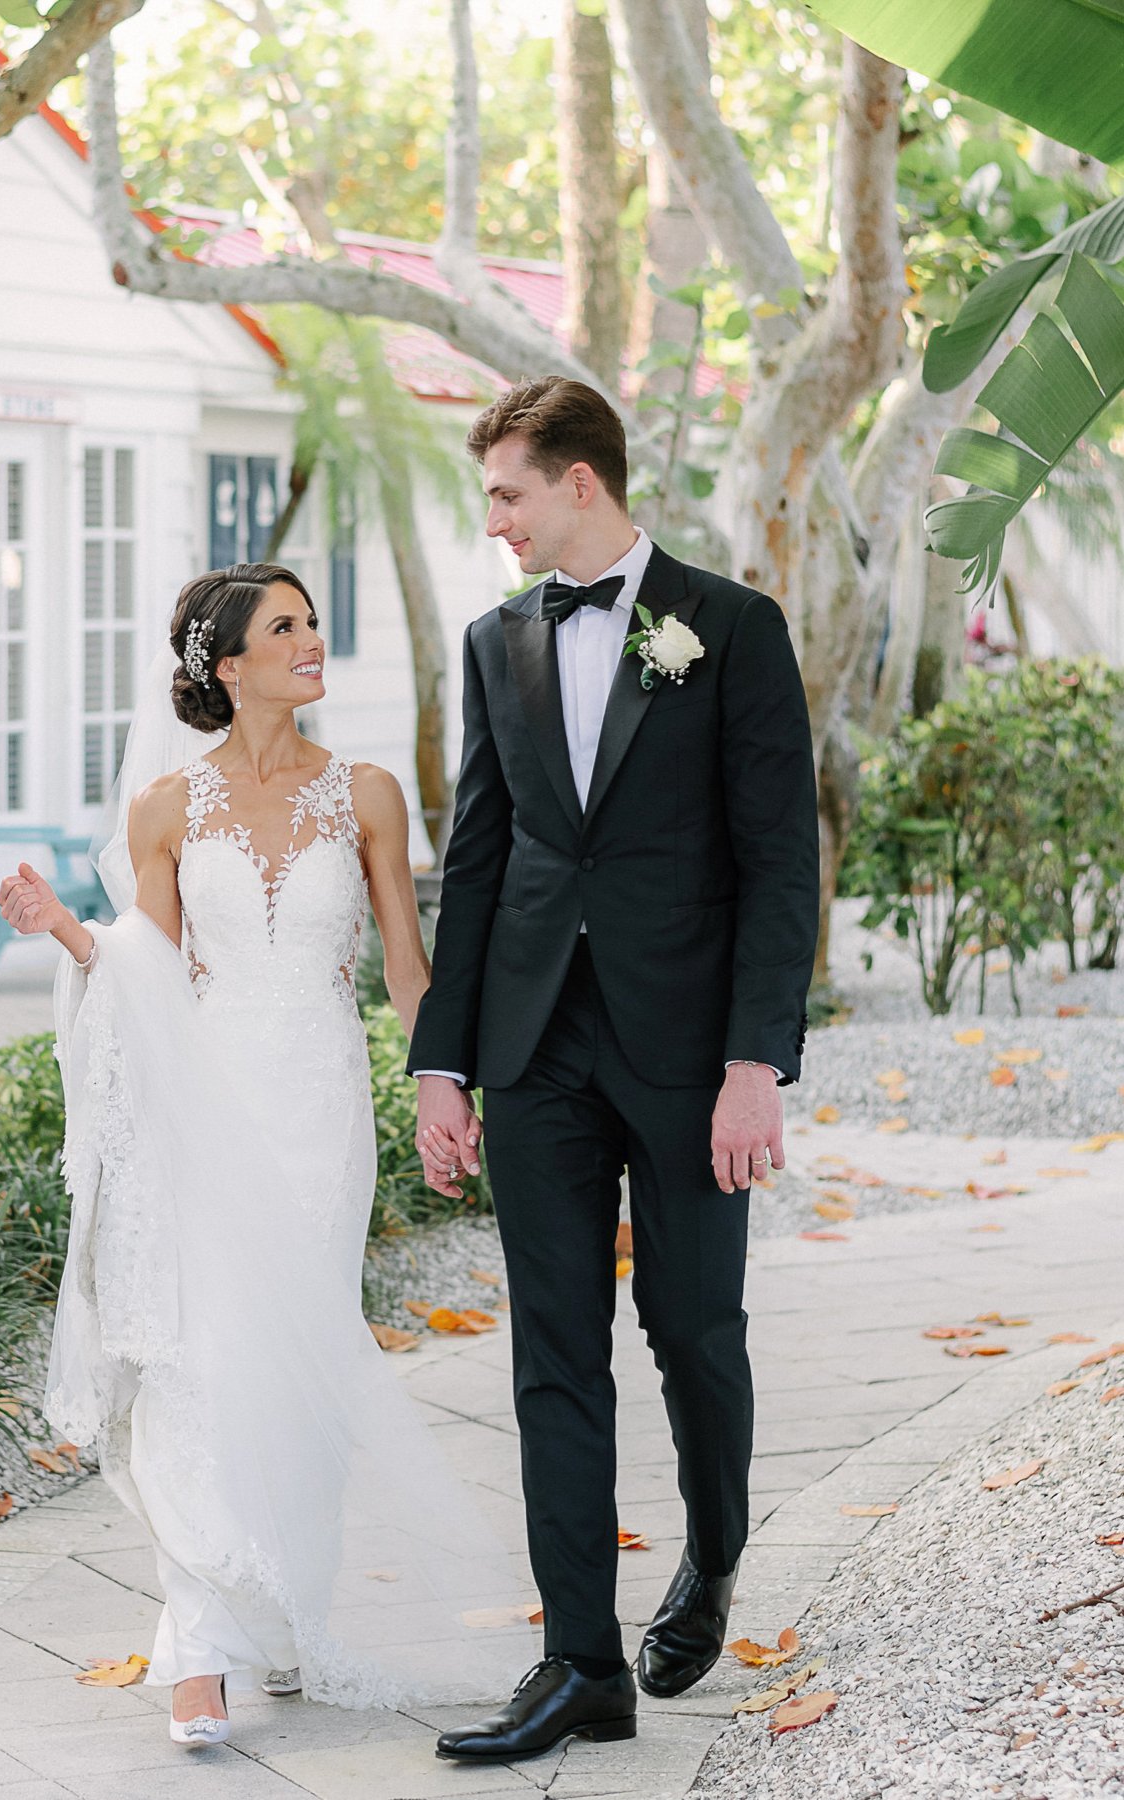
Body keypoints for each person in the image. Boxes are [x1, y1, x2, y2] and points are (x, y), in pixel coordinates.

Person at [0, 563, 531, 1749]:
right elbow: (147, 971)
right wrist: (67, 930)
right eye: (284, 627)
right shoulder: (166, 810)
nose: (312, 637)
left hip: (322, 1108)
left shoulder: (372, 795)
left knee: (300, 1354)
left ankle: (283, 1609)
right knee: (200, 1357)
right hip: (210, 1098)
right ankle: (201, 1646)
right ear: (227, 667)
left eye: (311, 620)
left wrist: (444, 1086)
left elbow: (405, 966)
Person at [409, 378, 820, 1764]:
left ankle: (712, 1554)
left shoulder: (733, 627)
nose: (500, 525)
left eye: (511, 496)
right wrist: (443, 1065)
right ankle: (579, 1662)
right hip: (536, 1049)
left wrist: (756, 1062)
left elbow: (780, 864)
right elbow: (479, 858)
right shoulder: (493, 640)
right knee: (552, 1356)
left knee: (695, 1333)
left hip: (692, 1051)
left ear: (581, 482)